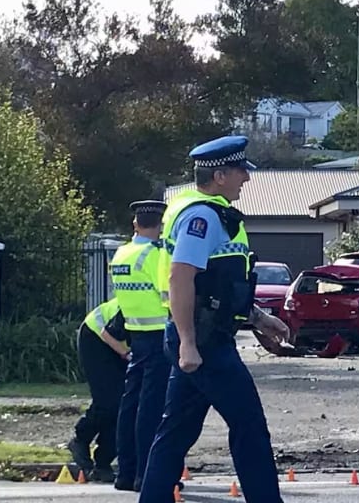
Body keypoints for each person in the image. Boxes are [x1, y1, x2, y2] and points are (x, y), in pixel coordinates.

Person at [138, 135, 291, 503]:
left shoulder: (213, 213)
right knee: (249, 425)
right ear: (220, 175)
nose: (247, 178)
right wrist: (189, 344)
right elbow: (181, 276)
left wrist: (258, 318)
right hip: (204, 342)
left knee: (175, 433)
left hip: (202, 335)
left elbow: (218, 288)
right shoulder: (202, 216)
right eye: (241, 171)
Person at [111, 200, 170, 493]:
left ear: (135, 224)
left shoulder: (122, 253)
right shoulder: (156, 256)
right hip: (160, 335)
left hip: (135, 334)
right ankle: (147, 475)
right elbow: (168, 295)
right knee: (152, 407)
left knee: (130, 403)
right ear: (161, 226)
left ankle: (126, 472)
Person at [68, 297, 130, 483]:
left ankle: (103, 462)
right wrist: (125, 353)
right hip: (97, 337)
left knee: (127, 405)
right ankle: (81, 439)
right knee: (110, 401)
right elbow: (106, 332)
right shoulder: (138, 303)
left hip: (124, 347)